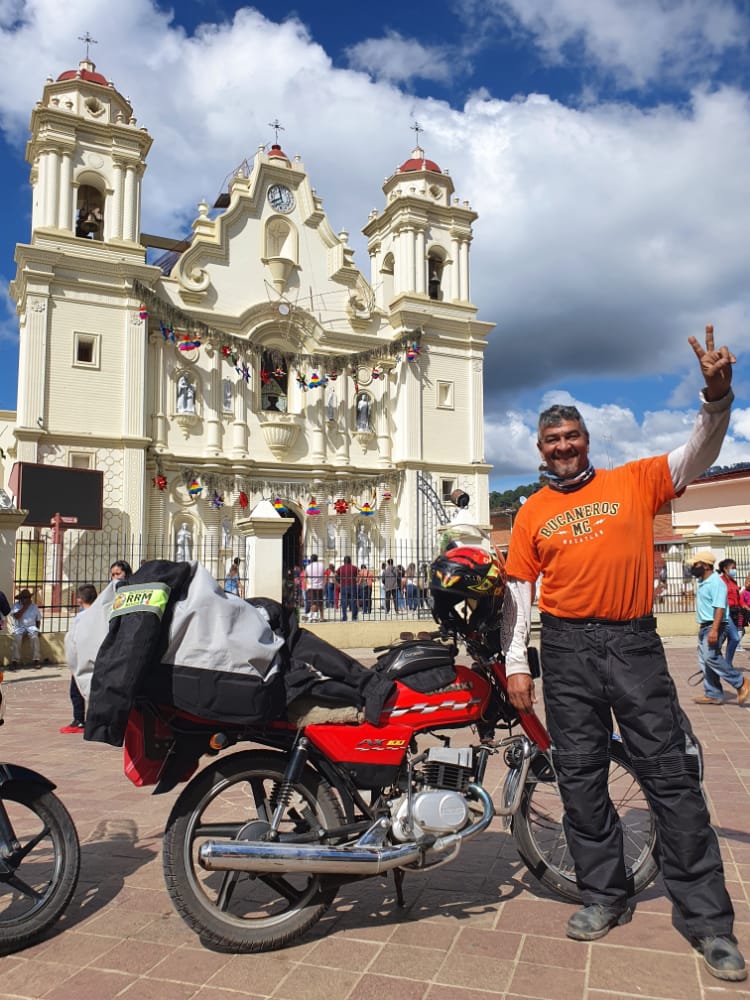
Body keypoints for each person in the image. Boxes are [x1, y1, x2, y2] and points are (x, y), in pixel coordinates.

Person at [504, 327, 747, 981]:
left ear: (586, 440)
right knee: (581, 782)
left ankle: (707, 922)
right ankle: (604, 895)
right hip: (567, 648)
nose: (563, 448)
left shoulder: (636, 481)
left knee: (669, 778)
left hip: (632, 643)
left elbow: (699, 452)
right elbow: (520, 592)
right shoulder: (528, 513)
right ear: (541, 449)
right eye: (552, 441)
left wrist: (717, 397)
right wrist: (518, 662)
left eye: (571, 438)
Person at [690, 551, 748, 705]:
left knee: (711, 657)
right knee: (705, 661)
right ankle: (713, 693)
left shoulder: (716, 583)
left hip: (714, 625)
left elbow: (720, 608)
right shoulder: (703, 581)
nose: (693, 567)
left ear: (706, 565)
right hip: (705, 626)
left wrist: (714, 630)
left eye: (696, 564)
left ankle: (741, 683)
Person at [61, 584, 97, 733]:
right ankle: (95, 719)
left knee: (76, 691)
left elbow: (75, 639)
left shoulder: (81, 617)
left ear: (79, 600)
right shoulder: (100, 614)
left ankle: (79, 720)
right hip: (96, 657)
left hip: (81, 658)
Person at [717, 558, 742, 665]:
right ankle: (719, 662)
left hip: (735, 612)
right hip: (725, 612)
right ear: (725, 569)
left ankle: (727, 663)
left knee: (730, 638)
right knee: (734, 638)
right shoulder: (720, 581)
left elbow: (738, 597)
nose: (734, 570)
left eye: (735, 568)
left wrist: (744, 607)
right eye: (733, 568)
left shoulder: (734, 582)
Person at [9, 588, 42, 669]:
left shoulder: (34, 607)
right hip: (19, 627)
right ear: (20, 598)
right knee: (17, 638)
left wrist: (37, 630)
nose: (25, 599)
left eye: (27, 598)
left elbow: (38, 620)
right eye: (23, 598)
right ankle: (15, 661)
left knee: (34, 637)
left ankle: (36, 660)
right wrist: (25, 607)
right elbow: (16, 616)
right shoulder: (16, 605)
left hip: (31, 627)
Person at [337, 555, 358, 621]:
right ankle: (354, 617)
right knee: (353, 601)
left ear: (344, 561)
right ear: (350, 561)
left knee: (344, 602)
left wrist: (338, 583)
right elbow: (359, 574)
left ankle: (344, 617)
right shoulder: (354, 568)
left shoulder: (341, 568)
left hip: (343, 586)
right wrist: (357, 581)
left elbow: (335, 575)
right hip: (352, 586)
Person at [305, 554, 324, 622]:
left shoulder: (308, 567)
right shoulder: (322, 565)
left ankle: (314, 617)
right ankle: (321, 617)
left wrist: (307, 585)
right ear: (317, 559)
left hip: (311, 586)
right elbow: (323, 575)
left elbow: (305, 576)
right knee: (321, 602)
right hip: (320, 586)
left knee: (313, 603)